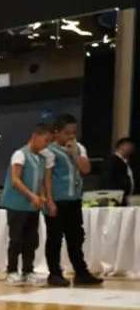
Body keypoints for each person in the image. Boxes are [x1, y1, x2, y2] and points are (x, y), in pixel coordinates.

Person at [44, 114, 102, 286]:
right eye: (67, 133)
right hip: (56, 200)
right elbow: (45, 178)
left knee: (76, 238)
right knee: (54, 238)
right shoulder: (48, 151)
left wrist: (74, 154)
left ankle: (81, 273)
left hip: (74, 200)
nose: (71, 136)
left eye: (74, 132)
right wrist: (49, 200)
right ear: (56, 133)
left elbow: (86, 170)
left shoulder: (79, 148)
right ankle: (54, 273)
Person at [1, 124, 53, 286]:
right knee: (16, 238)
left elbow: (41, 182)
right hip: (17, 204)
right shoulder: (20, 154)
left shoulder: (42, 158)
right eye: (45, 140)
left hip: (33, 206)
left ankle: (28, 270)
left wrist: (43, 197)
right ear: (35, 136)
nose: (47, 144)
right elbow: (16, 180)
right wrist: (31, 195)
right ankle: (11, 271)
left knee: (31, 240)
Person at [104, 137, 135, 201]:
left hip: (127, 198)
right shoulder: (112, 160)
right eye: (130, 145)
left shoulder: (126, 161)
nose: (132, 148)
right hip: (116, 198)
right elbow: (108, 180)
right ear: (122, 146)